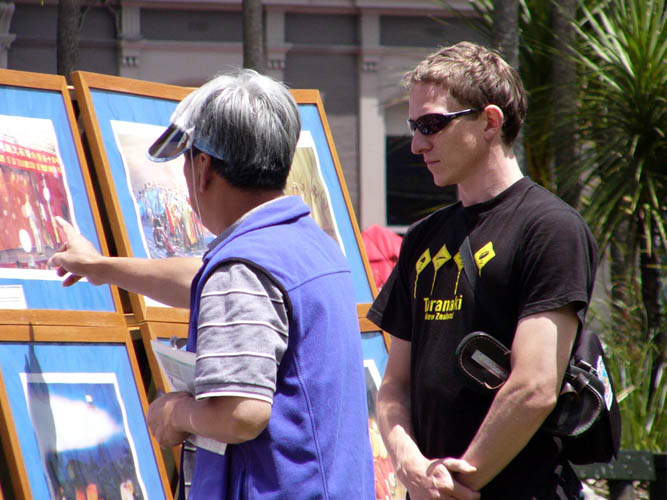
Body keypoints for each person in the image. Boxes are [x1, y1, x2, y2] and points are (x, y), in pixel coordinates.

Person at [48, 68, 375, 500]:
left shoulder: (242, 268)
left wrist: (177, 413)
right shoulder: (309, 245)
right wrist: (101, 267)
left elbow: (241, 414)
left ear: (202, 168)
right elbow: (201, 279)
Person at [367, 41, 598, 500]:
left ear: (490, 122)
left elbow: (534, 387)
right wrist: (409, 464)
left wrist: (457, 483)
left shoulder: (550, 227)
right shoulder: (422, 237)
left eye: (431, 125)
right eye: (413, 127)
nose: (416, 144)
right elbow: (394, 385)